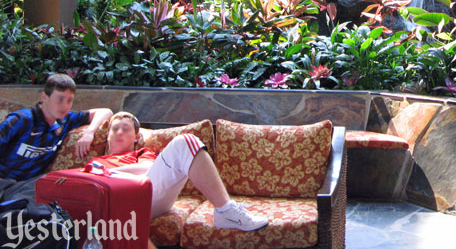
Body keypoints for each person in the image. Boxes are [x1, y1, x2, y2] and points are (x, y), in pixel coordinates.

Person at [89, 111, 268, 233]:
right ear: (107, 135)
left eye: (126, 128)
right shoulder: (96, 162)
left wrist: (109, 172)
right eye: (115, 128)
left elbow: (148, 169)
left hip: (145, 196)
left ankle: (225, 211)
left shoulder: (142, 154)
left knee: (186, 142)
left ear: (137, 137)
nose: (119, 132)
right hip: (113, 205)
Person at [0, 74, 113, 202]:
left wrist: (89, 133)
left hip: (27, 186)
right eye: (60, 99)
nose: (65, 106)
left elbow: (106, 112)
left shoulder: (66, 120)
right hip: (3, 182)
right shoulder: (22, 120)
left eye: (70, 100)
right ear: (44, 97)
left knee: (56, 189)